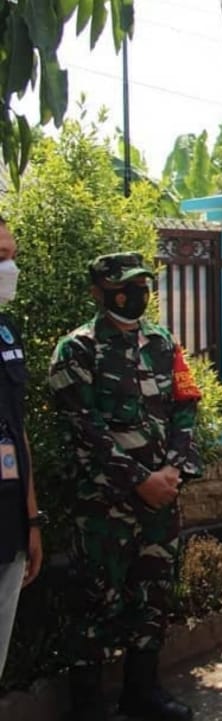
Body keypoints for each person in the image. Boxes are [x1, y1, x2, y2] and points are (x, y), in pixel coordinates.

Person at [49, 252, 202, 721]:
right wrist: (139, 481)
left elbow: (185, 406)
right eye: (123, 287)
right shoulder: (76, 349)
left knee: (151, 597)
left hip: (160, 501)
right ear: (98, 291)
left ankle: (142, 692)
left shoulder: (162, 341)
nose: (134, 294)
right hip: (103, 503)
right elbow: (84, 428)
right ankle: (88, 706)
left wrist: (173, 471)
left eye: (140, 285)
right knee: (93, 601)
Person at [0, 217, 41, 677]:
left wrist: (32, 521)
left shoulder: (8, 331)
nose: (8, 268)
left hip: (9, 521)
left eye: (12, 257)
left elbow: (18, 427)